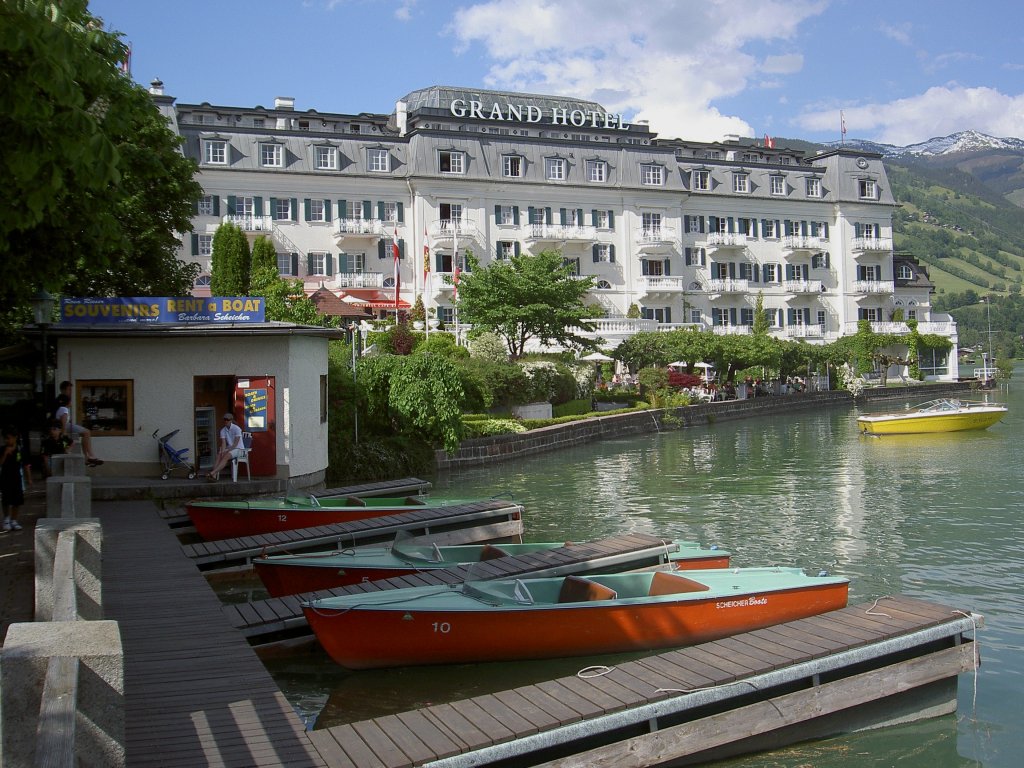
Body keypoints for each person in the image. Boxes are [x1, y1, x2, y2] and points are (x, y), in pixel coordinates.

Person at [54, 381, 103, 466]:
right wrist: (63, 432)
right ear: (63, 390)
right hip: (63, 425)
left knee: (86, 433)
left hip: (64, 423)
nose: (70, 391)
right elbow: (62, 419)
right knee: (87, 432)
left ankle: (87, 458)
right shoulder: (61, 400)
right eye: (69, 389)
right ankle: (90, 455)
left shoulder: (62, 399)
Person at [1, 425, 26, 531]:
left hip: (17, 477)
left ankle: (14, 520)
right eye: (5, 438)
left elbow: (25, 464)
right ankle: (6, 518)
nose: (7, 440)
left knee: (17, 500)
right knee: (6, 499)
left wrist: (28, 478)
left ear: (15, 437)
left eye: (9, 438)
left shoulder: (20, 449)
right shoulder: (2, 449)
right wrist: (5, 454)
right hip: (5, 477)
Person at [206, 413, 243, 481]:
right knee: (219, 455)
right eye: (224, 419)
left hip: (239, 449)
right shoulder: (223, 430)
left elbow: (235, 444)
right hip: (229, 448)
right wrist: (223, 452)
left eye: (227, 420)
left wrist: (226, 451)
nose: (226, 421)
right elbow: (223, 443)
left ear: (231, 420)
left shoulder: (237, 429)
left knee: (226, 456)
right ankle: (214, 476)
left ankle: (212, 473)